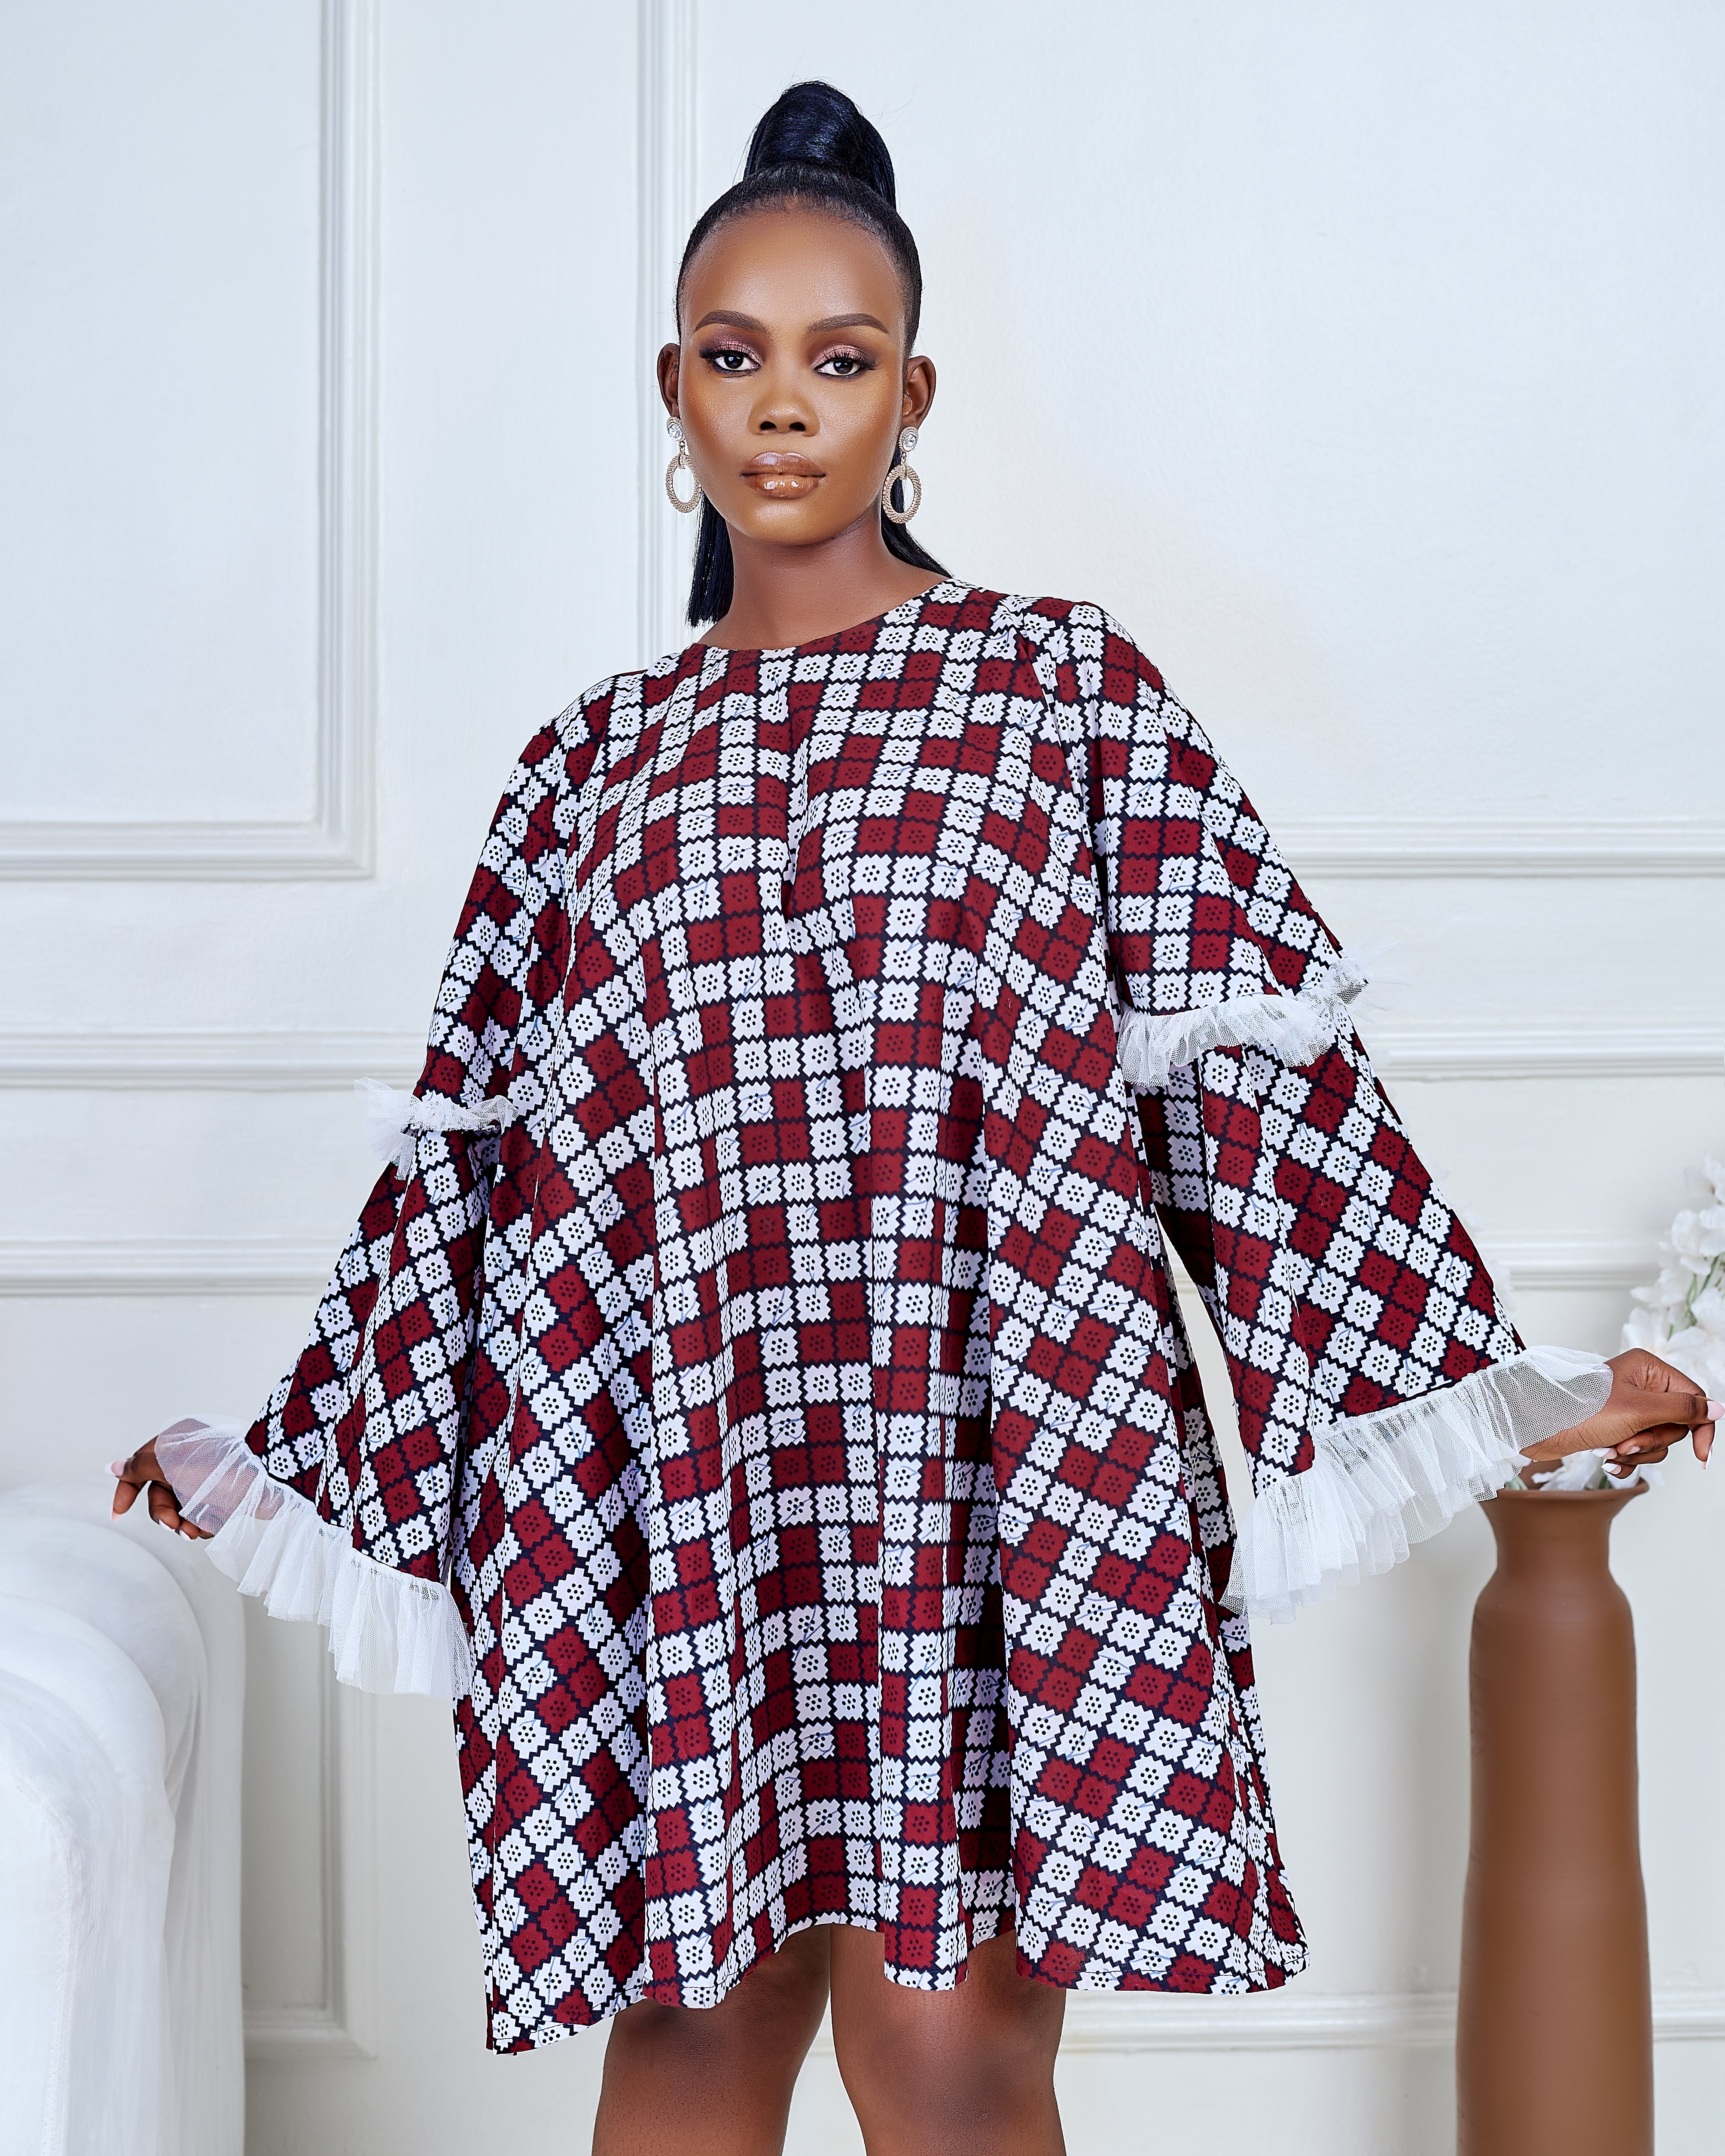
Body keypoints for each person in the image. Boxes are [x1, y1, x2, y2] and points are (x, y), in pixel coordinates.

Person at [111, 81, 1716, 2156]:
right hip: (695, 1501)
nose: (783, 408)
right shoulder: (583, 775)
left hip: (984, 1478)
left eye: (838, 361)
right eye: (735, 355)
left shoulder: (1056, 696)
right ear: (671, 394)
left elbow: (1254, 1087)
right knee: (686, 2042)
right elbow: (477, 1187)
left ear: (910, 396)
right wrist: (286, 1458)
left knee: (945, 2052)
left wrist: (1492, 1394)